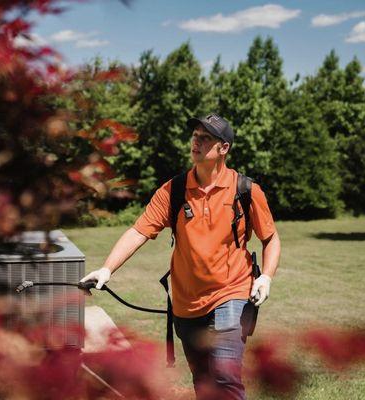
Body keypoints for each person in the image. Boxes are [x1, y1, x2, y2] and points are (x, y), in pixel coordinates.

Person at [81, 113, 281, 399]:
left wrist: (266, 277)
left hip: (232, 293)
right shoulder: (174, 190)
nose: (196, 142)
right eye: (195, 136)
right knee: (203, 381)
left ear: (224, 148)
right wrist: (107, 269)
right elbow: (139, 231)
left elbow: (270, 238)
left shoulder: (246, 191)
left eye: (206, 138)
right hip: (187, 304)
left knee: (224, 376)